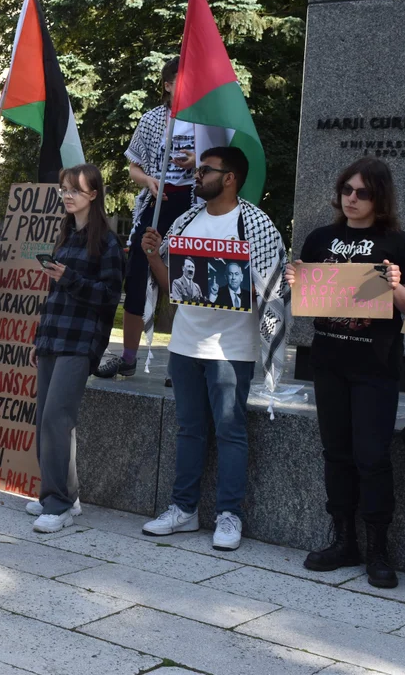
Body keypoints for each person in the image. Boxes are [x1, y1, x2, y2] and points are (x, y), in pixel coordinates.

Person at [139, 146, 289, 552]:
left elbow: (274, 290)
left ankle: (229, 514)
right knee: (188, 428)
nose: (196, 174)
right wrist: (154, 255)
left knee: (230, 431)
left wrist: (251, 288)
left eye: (206, 169)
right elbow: (173, 285)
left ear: (229, 178)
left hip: (231, 348)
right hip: (186, 343)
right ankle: (183, 509)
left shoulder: (255, 224)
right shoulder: (187, 220)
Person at [287, 157, 405, 589]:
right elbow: (305, 302)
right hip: (329, 364)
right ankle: (343, 540)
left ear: (380, 196)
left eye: (362, 192)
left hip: (376, 368)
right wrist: (295, 282)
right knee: (336, 454)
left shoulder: (402, 245)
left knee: (373, 457)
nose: (352, 198)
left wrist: (397, 284)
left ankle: (378, 549)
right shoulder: (320, 238)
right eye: (347, 189)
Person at [27, 164, 125, 533]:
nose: (67, 196)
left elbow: (109, 298)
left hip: (82, 341)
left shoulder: (108, 243)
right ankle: (64, 495)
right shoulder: (67, 235)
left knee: (57, 418)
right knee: (48, 420)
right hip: (55, 337)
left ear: (94, 195)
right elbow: (54, 296)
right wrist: (40, 338)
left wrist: (70, 278)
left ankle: (58, 504)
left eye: (75, 190)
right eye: (64, 189)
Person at [107, 57, 195, 378]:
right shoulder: (152, 119)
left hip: (193, 205)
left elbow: (222, 160)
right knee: (137, 275)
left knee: (187, 280)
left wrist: (198, 160)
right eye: (181, 80)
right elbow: (133, 166)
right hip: (157, 204)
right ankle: (128, 358)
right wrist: (148, 181)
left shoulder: (205, 120)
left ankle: (180, 363)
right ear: (168, 85)